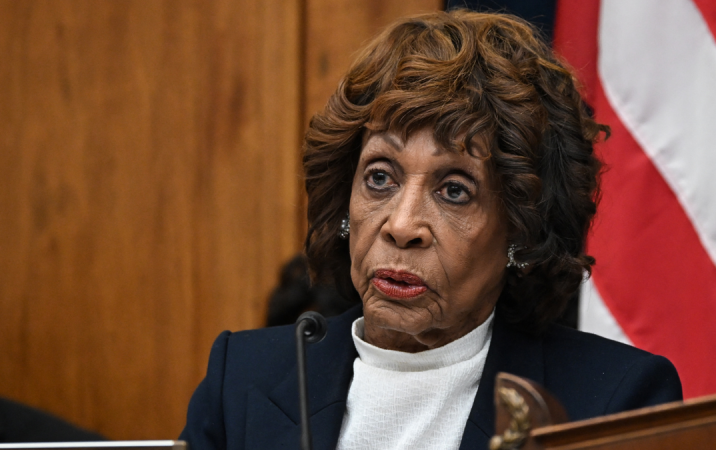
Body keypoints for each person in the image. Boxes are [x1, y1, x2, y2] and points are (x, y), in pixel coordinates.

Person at [180, 10, 682, 450]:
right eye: (380, 178)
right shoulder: (242, 379)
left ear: (521, 230)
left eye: (454, 191)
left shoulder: (611, 399)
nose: (402, 226)